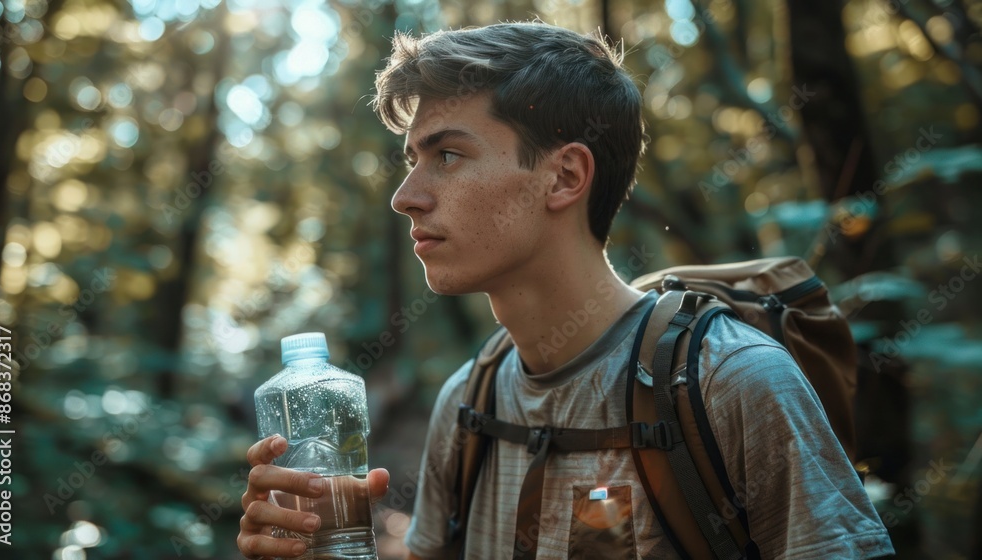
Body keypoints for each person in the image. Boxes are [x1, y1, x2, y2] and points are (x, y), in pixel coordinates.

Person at [238, 22, 896, 559]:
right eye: (413, 161)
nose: (405, 196)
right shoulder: (467, 404)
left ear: (564, 177)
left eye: (447, 156)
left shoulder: (734, 384)